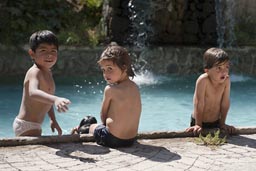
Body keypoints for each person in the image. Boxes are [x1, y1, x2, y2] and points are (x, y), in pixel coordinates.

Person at [13, 30, 71, 137]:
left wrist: (53, 119)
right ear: (32, 53)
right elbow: (33, 92)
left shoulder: (48, 72)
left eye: (53, 51)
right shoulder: (34, 72)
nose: (49, 55)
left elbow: (46, 100)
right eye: (43, 50)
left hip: (34, 124)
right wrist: (56, 99)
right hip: (27, 125)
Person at [87, 43, 142, 148]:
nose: (106, 74)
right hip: (130, 140)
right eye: (103, 70)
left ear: (124, 67)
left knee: (89, 124)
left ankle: (79, 128)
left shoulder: (110, 90)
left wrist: (99, 126)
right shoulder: (135, 87)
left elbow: (103, 116)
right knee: (93, 122)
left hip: (112, 139)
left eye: (110, 69)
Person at [186, 47, 235, 134]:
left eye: (227, 67)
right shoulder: (203, 80)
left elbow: (225, 103)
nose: (224, 71)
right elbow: (199, 103)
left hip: (216, 122)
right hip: (199, 120)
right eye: (219, 68)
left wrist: (222, 123)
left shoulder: (226, 81)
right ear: (207, 70)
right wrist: (198, 124)